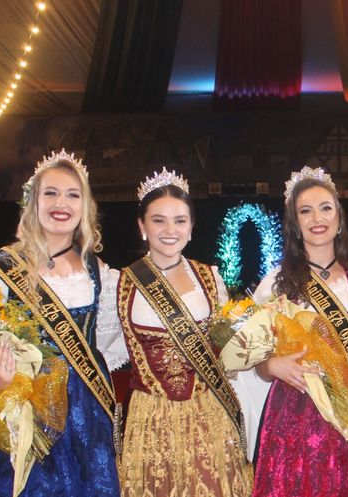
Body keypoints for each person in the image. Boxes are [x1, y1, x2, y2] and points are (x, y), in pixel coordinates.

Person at [0, 150, 127, 497]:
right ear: (33, 203)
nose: (61, 203)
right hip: (25, 410)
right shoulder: (1, 270)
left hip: (86, 413)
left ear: (85, 207)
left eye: (73, 195)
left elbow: (107, 344)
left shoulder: (100, 273)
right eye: (51, 193)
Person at [249, 167, 348, 497]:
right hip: (293, 413)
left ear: (339, 219)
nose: (317, 218)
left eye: (326, 208)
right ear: (295, 224)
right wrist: (272, 366)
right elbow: (252, 359)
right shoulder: (274, 284)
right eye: (305, 211)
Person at [117, 169, 252, 496]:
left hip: (208, 413)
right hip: (150, 418)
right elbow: (107, 349)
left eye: (179, 221)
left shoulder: (210, 279)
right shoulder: (120, 284)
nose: (170, 230)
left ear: (191, 228)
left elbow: (226, 346)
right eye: (158, 220)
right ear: (142, 226)